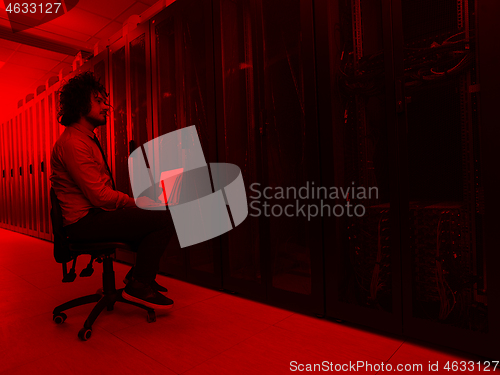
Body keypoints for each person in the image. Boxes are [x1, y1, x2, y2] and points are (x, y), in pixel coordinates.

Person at [50, 71, 174, 310]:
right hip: (84, 223)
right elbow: (99, 196)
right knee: (163, 217)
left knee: (154, 214)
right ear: (80, 105)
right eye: (98, 101)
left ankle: (137, 276)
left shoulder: (84, 139)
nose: (106, 106)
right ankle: (139, 282)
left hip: (94, 215)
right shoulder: (74, 144)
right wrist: (136, 202)